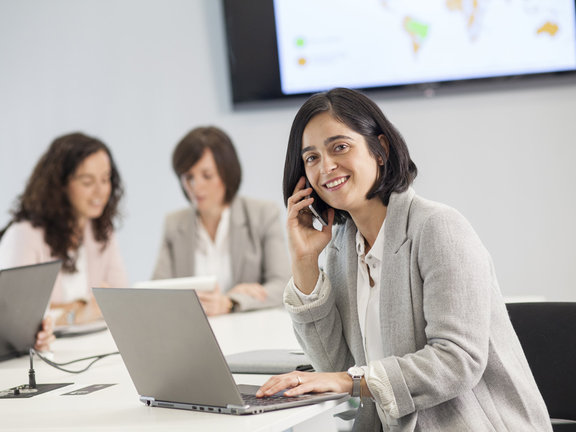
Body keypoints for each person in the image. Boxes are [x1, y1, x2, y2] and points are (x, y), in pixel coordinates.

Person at [257, 88, 551, 431]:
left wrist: (349, 381)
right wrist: (305, 260)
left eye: (339, 147)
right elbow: (335, 366)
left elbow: (458, 361)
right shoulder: (342, 248)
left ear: (380, 150)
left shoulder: (437, 227)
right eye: (311, 158)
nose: (326, 167)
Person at [0, 132, 128, 347]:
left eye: (105, 179)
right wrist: (78, 313)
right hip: (40, 356)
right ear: (60, 184)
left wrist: (68, 309)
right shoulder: (24, 234)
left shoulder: (101, 231)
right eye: (87, 181)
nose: (100, 191)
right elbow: (16, 321)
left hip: (91, 349)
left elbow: (120, 301)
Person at [152, 126, 290, 315]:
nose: (195, 186)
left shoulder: (262, 214)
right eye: (188, 177)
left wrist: (230, 302)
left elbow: (283, 284)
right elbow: (155, 293)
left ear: (227, 173)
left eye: (206, 176)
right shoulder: (174, 224)